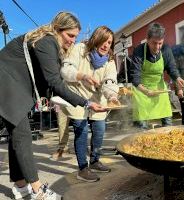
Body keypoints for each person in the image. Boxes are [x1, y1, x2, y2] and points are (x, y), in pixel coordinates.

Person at [0, 12, 106, 200]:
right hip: (6, 82)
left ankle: (20, 186)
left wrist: (82, 102)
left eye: (75, 36)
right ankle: (37, 190)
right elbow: (55, 82)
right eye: (70, 35)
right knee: (22, 135)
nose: (73, 41)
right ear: (58, 29)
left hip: (11, 85)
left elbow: (51, 86)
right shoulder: (47, 41)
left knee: (17, 135)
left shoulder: (50, 45)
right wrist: (87, 102)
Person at [61, 26, 120, 182]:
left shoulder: (110, 60)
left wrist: (112, 96)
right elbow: (66, 70)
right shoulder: (80, 49)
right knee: (81, 130)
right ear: (97, 38)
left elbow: (110, 81)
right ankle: (83, 168)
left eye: (110, 42)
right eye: (105, 41)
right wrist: (82, 76)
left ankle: (94, 161)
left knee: (99, 130)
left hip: (98, 99)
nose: (107, 45)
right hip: (78, 97)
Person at [130, 22, 184, 129]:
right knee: (142, 126)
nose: (157, 47)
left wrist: (177, 78)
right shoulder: (139, 51)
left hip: (159, 89)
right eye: (154, 43)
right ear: (147, 39)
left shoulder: (166, 50)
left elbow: (171, 68)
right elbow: (135, 78)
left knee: (168, 122)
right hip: (142, 91)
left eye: (160, 43)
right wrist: (146, 91)